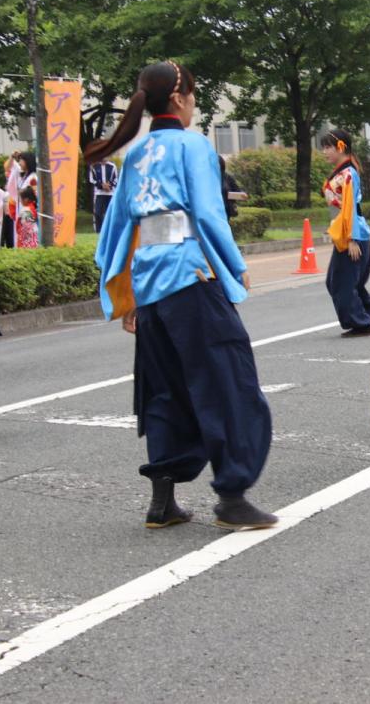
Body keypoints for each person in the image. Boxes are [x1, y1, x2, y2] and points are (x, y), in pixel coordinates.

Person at [91, 60, 276, 531]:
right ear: (179, 98)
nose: (195, 104)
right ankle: (232, 496)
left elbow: (117, 228)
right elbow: (210, 216)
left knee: (164, 390)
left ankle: (163, 501)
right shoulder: (193, 145)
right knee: (227, 382)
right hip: (190, 276)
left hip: (151, 284)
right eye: (193, 94)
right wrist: (235, 267)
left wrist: (124, 293)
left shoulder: (134, 154)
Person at [321, 128, 370, 337]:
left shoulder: (348, 174)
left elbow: (350, 207)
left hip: (353, 236)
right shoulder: (342, 172)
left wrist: (352, 238)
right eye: (323, 147)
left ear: (341, 147)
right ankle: (365, 314)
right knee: (342, 281)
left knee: (340, 282)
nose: (324, 152)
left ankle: (361, 321)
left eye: (328, 147)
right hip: (346, 234)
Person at [2, 150, 37, 248]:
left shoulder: (33, 178)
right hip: (21, 211)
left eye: (22, 160)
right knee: (21, 239)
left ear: (28, 161)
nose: (20, 162)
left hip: (28, 212)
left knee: (27, 239)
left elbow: (34, 196)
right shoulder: (23, 177)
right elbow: (7, 167)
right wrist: (12, 156)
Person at [86, 156, 119, 232]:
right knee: (98, 212)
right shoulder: (94, 166)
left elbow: (116, 178)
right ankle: (99, 230)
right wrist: (101, 185)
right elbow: (92, 179)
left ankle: (110, 230)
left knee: (110, 212)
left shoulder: (112, 166)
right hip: (99, 193)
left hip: (110, 193)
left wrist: (109, 185)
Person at [217, 155, 249, 222]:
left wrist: (242, 195)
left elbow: (238, 191)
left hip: (226, 211)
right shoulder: (207, 179)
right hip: (212, 211)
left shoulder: (227, 177)